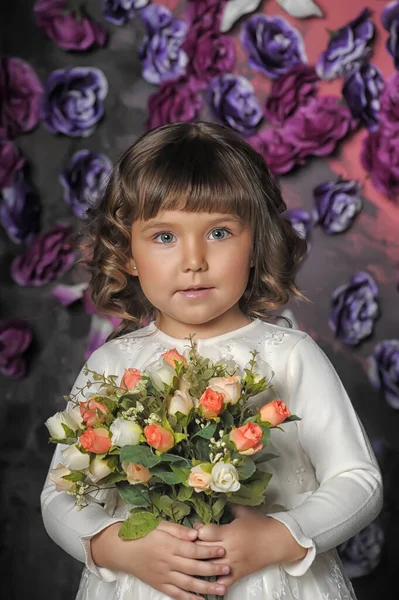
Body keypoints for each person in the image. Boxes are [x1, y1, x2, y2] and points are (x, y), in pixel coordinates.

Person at [41, 121, 382, 600]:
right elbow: (60, 494)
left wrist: (280, 536)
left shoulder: (289, 357)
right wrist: (114, 545)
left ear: (256, 243)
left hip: (269, 583)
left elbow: (357, 479)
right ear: (128, 252)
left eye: (219, 231)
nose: (194, 259)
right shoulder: (115, 363)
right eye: (164, 237)